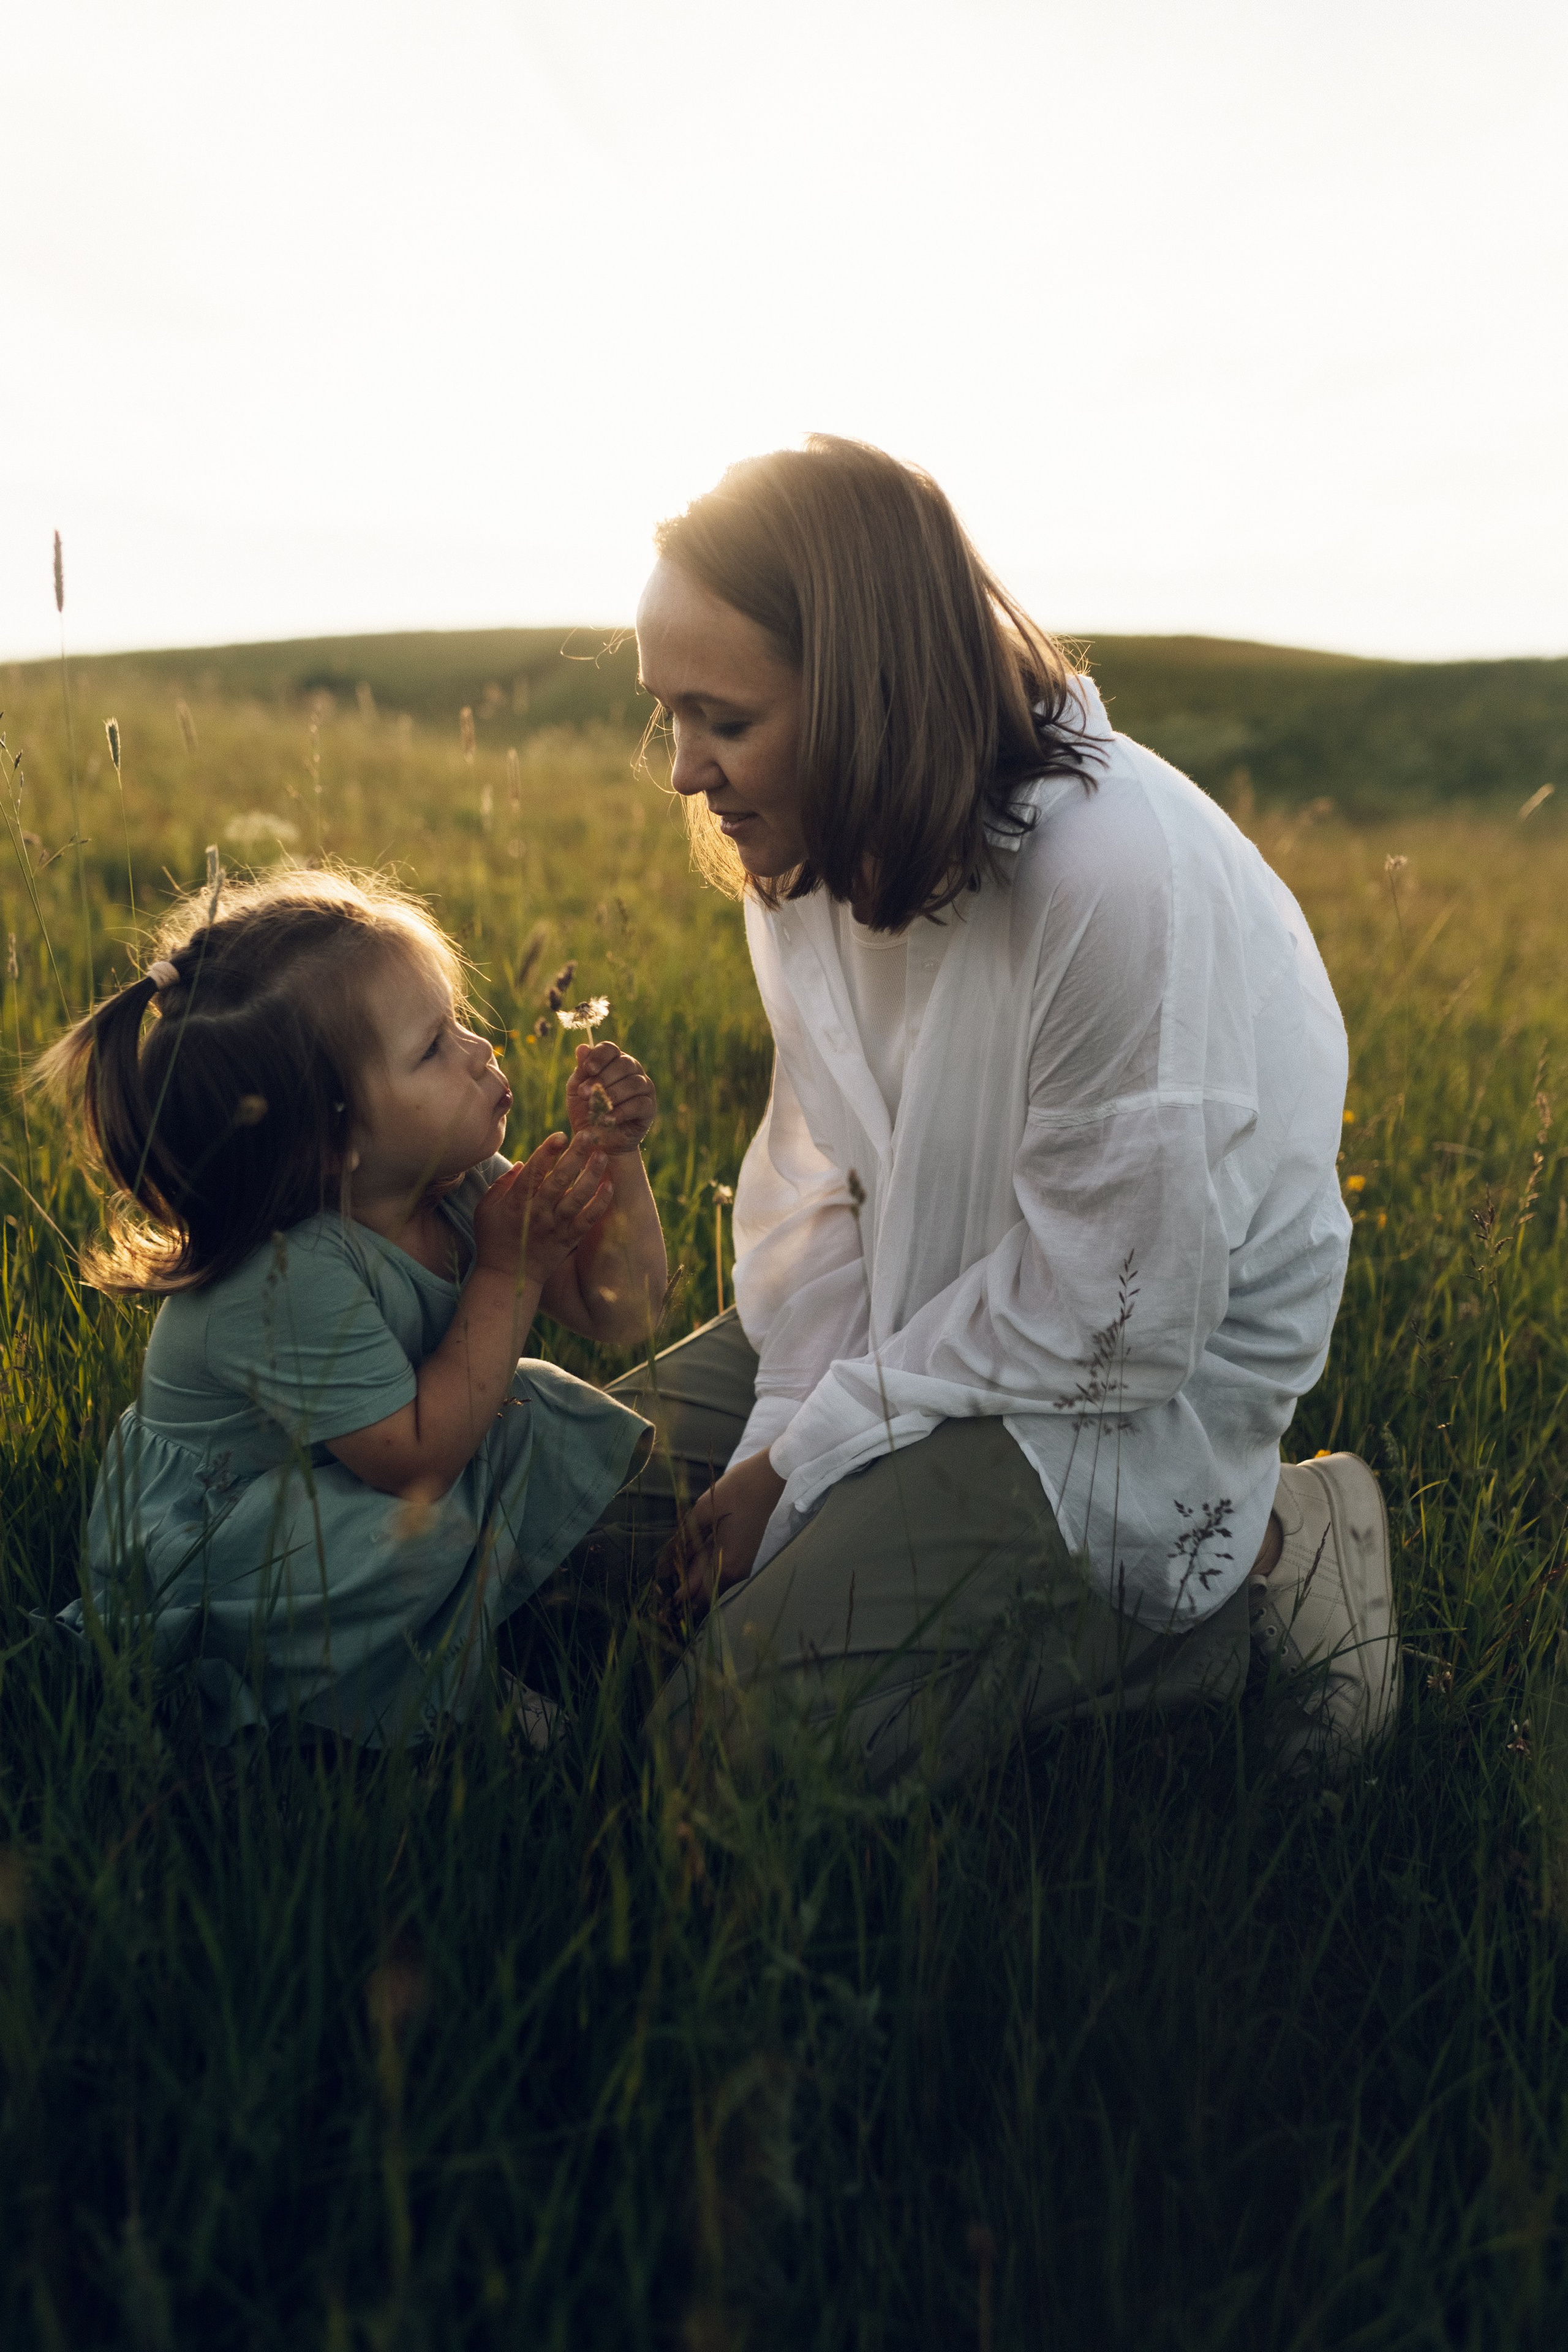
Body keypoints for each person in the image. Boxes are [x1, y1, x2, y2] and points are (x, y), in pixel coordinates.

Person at [612, 434, 1400, 1787]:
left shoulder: (1111, 877)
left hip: (1100, 1397)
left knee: (725, 1756)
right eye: (665, 714)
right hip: (916, 1320)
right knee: (555, 1522)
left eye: (724, 721)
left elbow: (1117, 1317)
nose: (683, 772)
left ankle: (1235, 1584)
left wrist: (803, 1467)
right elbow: (823, 1189)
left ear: (862, 689)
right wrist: (778, 1448)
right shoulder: (801, 852)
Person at [41, 867, 665, 1747]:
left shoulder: (448, 1181)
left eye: (459, 1023)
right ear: (331, 1142)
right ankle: (363, 1706)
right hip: (226, 1551)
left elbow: (621, 1310)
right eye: (432, 1048)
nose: (482, 1050)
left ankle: (521, 1618)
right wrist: (510, 1269)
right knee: (413, 1525)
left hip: (340, 1490)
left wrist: (616, 1157)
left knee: (528, 1404)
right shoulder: (286, 1276)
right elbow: (414, 1465)